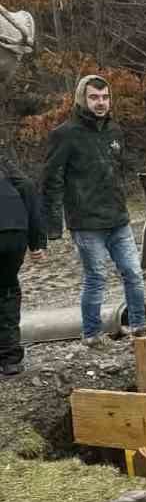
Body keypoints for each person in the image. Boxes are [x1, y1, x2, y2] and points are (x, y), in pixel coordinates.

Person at [41, 75, 146, 346]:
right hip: (86, 222)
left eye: (104, 97)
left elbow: (122, 166)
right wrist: (53, 225)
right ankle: (91, 334)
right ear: (82, 99)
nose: (100, 103)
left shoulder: (114, 130)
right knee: (96, 278)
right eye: (94, 97)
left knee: (134, 273)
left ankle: (139, 326)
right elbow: (51, 180)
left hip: (118, 217)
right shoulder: (65, 135)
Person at [0, 151, 48, 375]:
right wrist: (36, 242)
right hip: (14, 231)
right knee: (7, 289)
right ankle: (10, 359)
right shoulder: (4, 162)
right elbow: (28, 186)